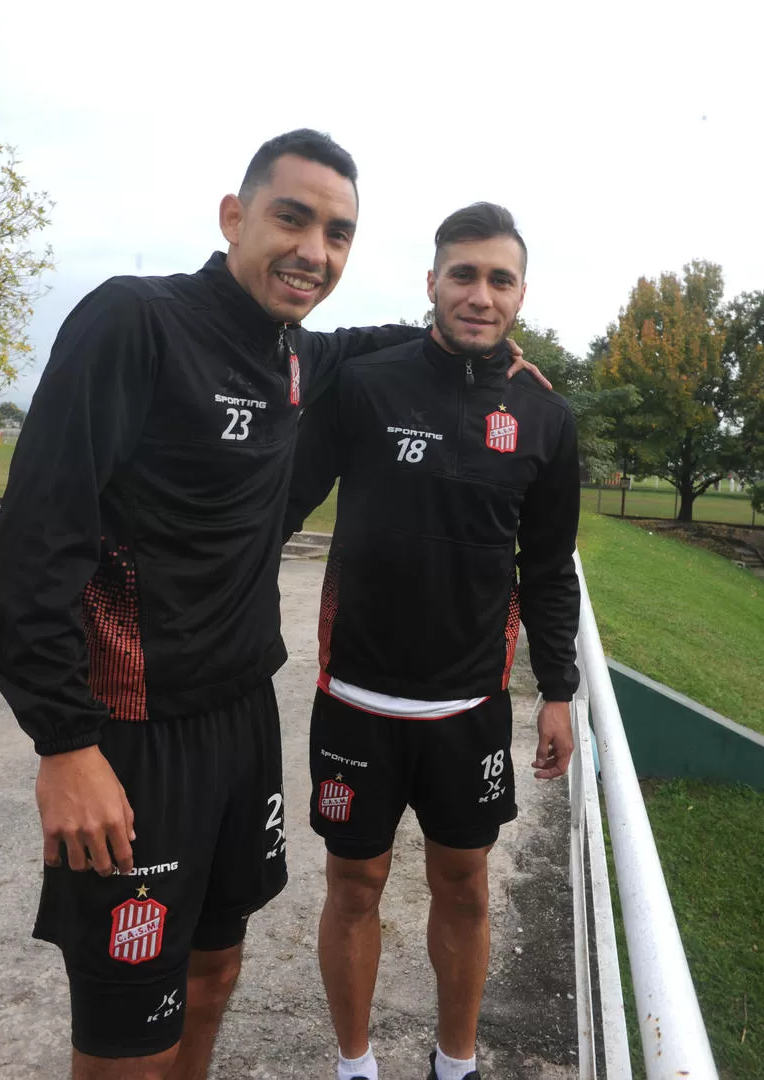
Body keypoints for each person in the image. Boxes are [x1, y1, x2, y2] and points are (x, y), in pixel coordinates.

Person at [0, 133, 541, 1080]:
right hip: (132, 733)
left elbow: (384, 344)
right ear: (234, 216)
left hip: (242, 723)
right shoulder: (136, 320)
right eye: (292, 218)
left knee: (211, 978)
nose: (314, 251)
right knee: (130, 1029)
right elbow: (32, 546)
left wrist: (484, 351)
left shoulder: (296, 359)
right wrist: (63, 744)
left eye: (338, 233)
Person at [284, 202, 581, 1080]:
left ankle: (455, 1065)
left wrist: (556, 690)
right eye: (463, 274)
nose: (479, 294)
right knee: (353, 888)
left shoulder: (544, 417)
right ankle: (355, 1066)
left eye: (498, 278)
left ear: (521, 293)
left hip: (468, 706)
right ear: (431, 282)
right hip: (355, 700)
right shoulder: (366, 383)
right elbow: (281, 507)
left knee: (464, 887)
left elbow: (548, 567)